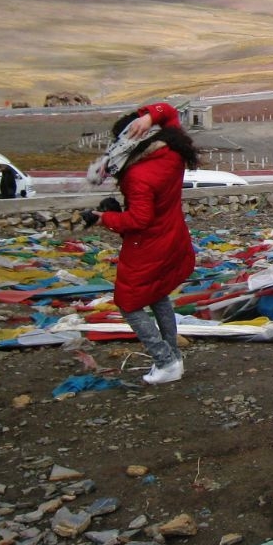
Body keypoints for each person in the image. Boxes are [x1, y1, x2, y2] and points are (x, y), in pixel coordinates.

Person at [82, 102, 198, 385]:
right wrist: (150, 116)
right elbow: (169, 111)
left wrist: (104, 218)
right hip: (173, 237)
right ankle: (173, 358)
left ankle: (165, 361)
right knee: (157, 294)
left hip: (148, 246)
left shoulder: (138, 175)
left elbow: (139, 220)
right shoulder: (171, 150)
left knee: (129, 302)